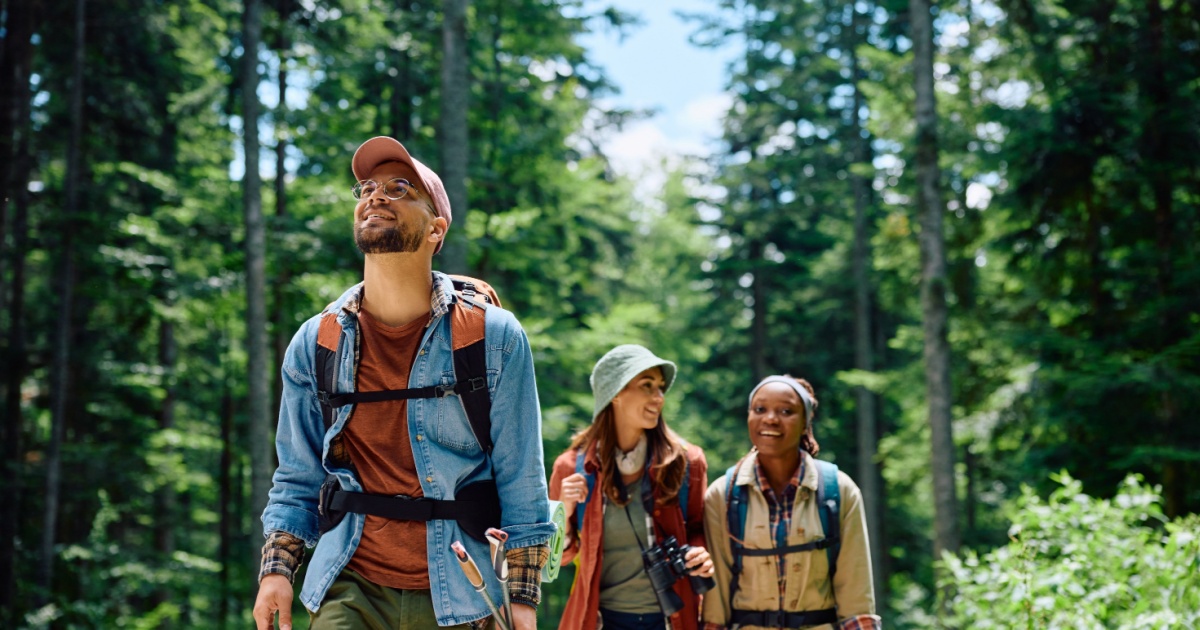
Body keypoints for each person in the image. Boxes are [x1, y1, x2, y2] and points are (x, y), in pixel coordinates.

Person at [252, 136, 554, 630]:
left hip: (467, 590)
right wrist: (276, 572)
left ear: (436, 229)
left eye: (400, 188)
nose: (376, 196)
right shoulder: (317, 342)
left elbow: (522, 478)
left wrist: (522, 600)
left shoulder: (492, 337)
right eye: (367, 187)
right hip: (351, 585)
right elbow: (297, 477)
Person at [549, 344, 714, 630]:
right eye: (647, 385)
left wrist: (699, 553)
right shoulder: (571, 468)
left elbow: (698, 528)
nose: (659, 397)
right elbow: (557, 559)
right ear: (615, 393)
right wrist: (563, 510)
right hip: (600, 621)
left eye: (661, 387)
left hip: (671, 621)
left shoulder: (688, 462)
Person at [701, 375, 880, 630]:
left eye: (786, 411)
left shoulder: (838, 490)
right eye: (760, 409)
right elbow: (714, 602)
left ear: (806, 421)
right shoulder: (723, 495)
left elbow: (856, 598)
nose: (771, 419)